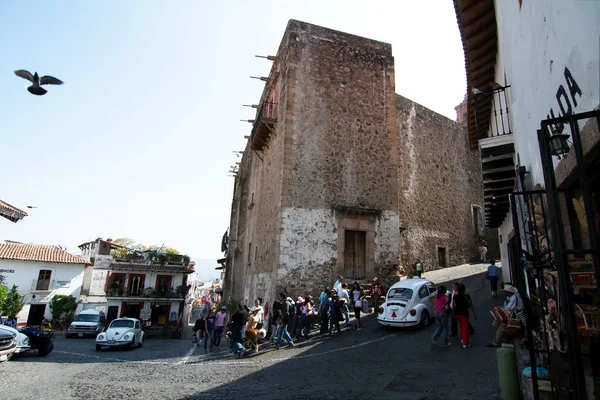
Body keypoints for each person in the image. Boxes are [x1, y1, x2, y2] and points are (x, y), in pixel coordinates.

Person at [452, 284, 471, 348]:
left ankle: (463, 339)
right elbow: (469, 304)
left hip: (457, 314)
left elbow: (453, 305)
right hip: (464, 313)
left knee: (461, 327)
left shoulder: (455, 296)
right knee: (465, 328)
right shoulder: (466, 296)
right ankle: (465, 343)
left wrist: (454, 313)